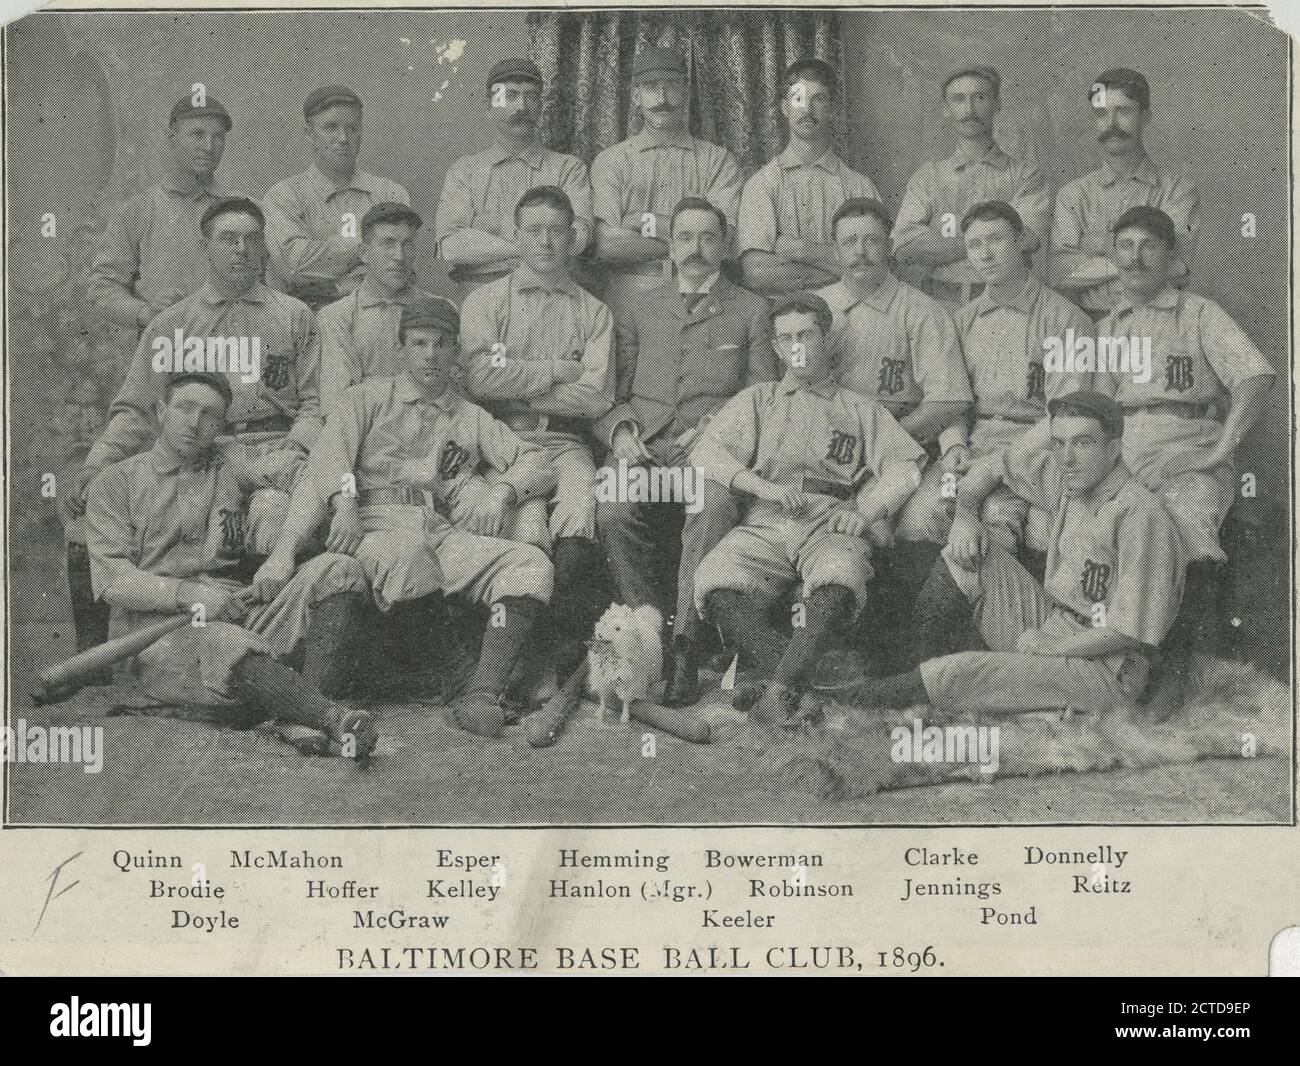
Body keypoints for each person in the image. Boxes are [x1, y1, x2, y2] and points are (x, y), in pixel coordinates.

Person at [261, 300, 557, 738]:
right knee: (407, 554)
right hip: (372, 525)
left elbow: (538, 461)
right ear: (401, 350)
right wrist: (344, 502)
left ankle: (481, 692)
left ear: (456, 351)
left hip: (438, 528)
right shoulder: (365, 398)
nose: (430, 355)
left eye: (441, 345)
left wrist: (503, 491)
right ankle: (456, 679)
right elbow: (328, 458)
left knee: (530, 565)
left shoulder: (470, 416)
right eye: (418, 344)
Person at [838, 391, 1184, 720]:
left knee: (959, 672)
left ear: (1114, 450)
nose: (1067, 457)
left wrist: (1050, 647)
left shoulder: (1141, 514)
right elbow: (990, 467)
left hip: (1106, 669)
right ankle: (903, 681)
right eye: (1059, 443)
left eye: (1083, 443)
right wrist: (966, 516)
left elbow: (1128, 632)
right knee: (972, 555)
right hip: (1055, 624)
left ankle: (846, 705)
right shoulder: (1073, 481)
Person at [84, 371, 376, 759]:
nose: (194, 423)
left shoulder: (230, 461)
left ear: (221, 426)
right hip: (157, 631)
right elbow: (113, 581)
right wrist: (192, 595)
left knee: (339, 570)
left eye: (209, 415)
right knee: (227, 644)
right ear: (160, 411)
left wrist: (335, 509)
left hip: (237, 607)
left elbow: (312, 471)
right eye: (185, 408)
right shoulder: (117, 482)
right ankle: (332, 718)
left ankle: (295, 713)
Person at [690, 292, 927, 727]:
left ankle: (777, 690)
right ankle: (803, 689)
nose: (796, 346)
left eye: (806, 334)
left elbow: (906, 466)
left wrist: (867, 508)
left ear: (825, 339)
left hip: (828, 518)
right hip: (766, 517)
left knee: (842, 576)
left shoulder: (856, 408)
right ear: (776, 348)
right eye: (785, 338)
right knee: (714, 577)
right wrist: (760, 485)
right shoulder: (757, 400)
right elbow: (708, 453)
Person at [595, 197, 778, 706]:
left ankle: (685, 647)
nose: (696, 250)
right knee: (611, 510)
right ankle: (647, 626)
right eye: (685, 238)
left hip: (712, 449)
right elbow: (611, 393)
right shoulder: (640, 307)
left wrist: (722, 426)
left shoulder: (750, 309)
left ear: (724, 247)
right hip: (645, 447)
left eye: (708, 238)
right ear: (670, 248)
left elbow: (763, 395)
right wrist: (624, 435)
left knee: (713, 506)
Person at [1093, 206, 1275, 714]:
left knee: (1180, 525)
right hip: (1127, 454)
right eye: (1124, 247)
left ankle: (1177, 669)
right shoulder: (1110, 328)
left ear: (1172, 257)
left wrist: (1222, 450)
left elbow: (1254, 377)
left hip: (1190, 451)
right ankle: (1119, 672)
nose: (1135, 257)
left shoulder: (1197, 313)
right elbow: (1102, 410)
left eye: (1149, 246)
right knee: (1103, 532)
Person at [73, 198, 320, 557]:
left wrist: (295, 449)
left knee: (276, 517)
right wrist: (98, 462)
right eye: (228, 239)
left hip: (276, 452)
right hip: (202, 457)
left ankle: (270, 610)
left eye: (252, 240)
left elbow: (315, 403)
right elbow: (137, 409)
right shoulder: (173, 324)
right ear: (205, 247)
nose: (241, 250)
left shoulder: (294, 316)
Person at [460, 185, 616, 674]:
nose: (546, 242)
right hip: (501, 439)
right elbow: (480, 379)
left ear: (572, 237)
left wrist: (519, 381)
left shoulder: (593, 310)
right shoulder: (487, 302)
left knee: (580, 507)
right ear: (516, 235)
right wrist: (558, 368)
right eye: (534, 230)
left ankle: (551, 652)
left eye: (557, 231)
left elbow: (596, 396)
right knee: (523, 527)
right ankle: (512, 663)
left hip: (567, 440)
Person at [815, 197, 971, 547]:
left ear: (888, 247)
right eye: (849, 242)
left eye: (871, 241)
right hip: (828, 446)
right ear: (835, 252)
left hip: (906, 442)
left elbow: (948, 401)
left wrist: (882, 439)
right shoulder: (814, 307)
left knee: (921, 521)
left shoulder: (921, 310)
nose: (860, 252)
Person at [949, 200, 1094, 553]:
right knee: (924, 512)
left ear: (1021, 241)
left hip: (1038, 451)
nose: (985, 254)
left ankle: (1018, 604)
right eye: (974, 245)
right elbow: (951, 401)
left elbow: (1065, 415)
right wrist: (954, 445)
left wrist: (1000, 461)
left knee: (1020, 525)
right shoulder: (962, 321)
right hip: (973, 445)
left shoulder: (1066, 319)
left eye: (996, 240)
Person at [591, 45, 742, 318]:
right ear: (636, 96)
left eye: (671, 86)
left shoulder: (718, 161)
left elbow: (726, 242)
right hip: (630, 295)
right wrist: (695, 243)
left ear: (685, 91)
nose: (662, 98)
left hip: (701, 296)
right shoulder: (611, 161)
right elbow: (608, 246)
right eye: (650, 87)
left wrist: (640, 220)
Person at [892, 64, 1051, 305]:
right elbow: (904, 247)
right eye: (958, 100)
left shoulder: (1025, 175)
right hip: (939, 303)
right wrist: (995, 242)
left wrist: (940, 245)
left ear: (997, 103)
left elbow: (1028, 240)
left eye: (979, 97)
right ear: (945, 109)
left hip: (1007, 303)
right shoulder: (928, 177)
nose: (969, 110)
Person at [1049, 68, 1198, 320]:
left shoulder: (1178, 190)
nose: (1111, 124)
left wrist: (1095, 248)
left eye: (1124, 111)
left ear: (1146, 117)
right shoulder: (1072, 195)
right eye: (1101, 114)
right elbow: (1058, 272)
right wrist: (1142, 258)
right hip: (1090, 325)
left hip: (1156, 324)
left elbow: (1177, 267)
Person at [436, 58, 593, 294]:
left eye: (530, 97)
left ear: (541, 107)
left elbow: (578, 238)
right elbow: (451, 246)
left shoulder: (568, 169)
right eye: (509, 96)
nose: (521, 107)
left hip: (549, 294)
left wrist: (487, 243)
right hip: (479, 294)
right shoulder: (465, 171)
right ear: (489, 107)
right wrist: (531, 247)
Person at [87, 93, 236, 335]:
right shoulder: (139, 210)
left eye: (217, 136)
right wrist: (144, 313)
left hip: (231, 347)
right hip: (164, 351)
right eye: (197, 134)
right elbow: (102, 288)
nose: (209, 146)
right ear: (172, 137)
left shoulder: (242, 209)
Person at [739, 58, 880, 297]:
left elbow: (877, 269)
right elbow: (756, 272)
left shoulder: (859, 187)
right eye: (798, 99)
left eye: (819, 99)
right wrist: (839, 267)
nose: (807, 109)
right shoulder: (762, 184)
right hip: (783, 321)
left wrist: (801, 250)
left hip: (850, 315)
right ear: (785, 108)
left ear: (832, 109)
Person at [263, 86, 410, 310]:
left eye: (352, 128)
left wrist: (333, 284)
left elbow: (398, 270)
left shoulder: (390, 193)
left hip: (377, 316)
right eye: (331, 127)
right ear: (309, 133)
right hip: (306, 322)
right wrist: (367, 246)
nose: (343, 138)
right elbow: (294, 267)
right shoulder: (284, 195)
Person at [315, 202, 433, 421]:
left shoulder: (437, 309)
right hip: (369, 438)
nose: (399, 256)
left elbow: (453, 390)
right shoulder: (337, 317)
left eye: (407, 245)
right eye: (388, 244)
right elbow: (339, 406)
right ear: (365, 253)